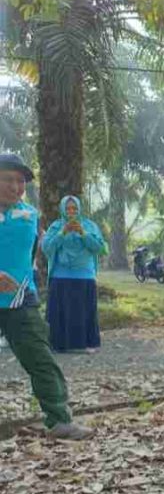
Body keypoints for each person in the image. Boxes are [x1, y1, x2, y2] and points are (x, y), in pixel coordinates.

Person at [0, 154, 92, 440]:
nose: (15, 186)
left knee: (41, 359)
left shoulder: (30, 216)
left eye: (20, 181)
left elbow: (36, 252)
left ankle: (60, 420)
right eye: (8, 179)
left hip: (20, 302)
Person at [42, 195, 106, 353]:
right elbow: (47, 248)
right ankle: (58, 344)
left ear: (79, 209)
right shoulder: (56, 226)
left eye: (74, 208)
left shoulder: (89, 226)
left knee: (83, 311)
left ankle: (84, 344)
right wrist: (62, 233)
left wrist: (83, 233)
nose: (71, 212)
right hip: (60, 276)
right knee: (59, 312)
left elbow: (99, 248)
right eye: (68, 208)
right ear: (63, 210)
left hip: (84, 276)